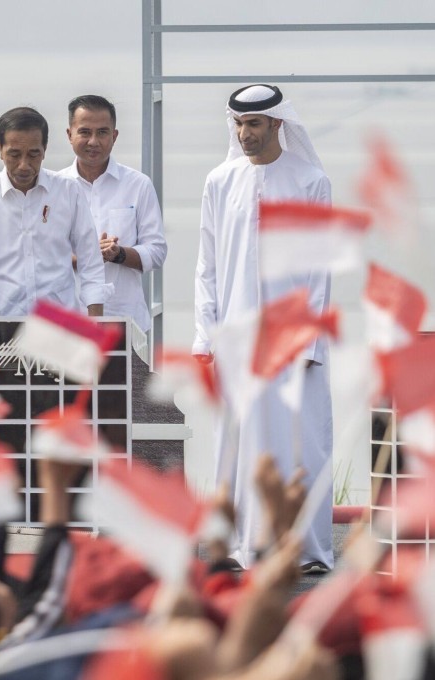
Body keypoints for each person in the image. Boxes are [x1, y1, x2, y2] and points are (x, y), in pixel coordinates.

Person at [192, 84, 333, 573]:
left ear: (277, 123)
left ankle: (304, 549)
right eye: (238, 124)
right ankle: (241, 546)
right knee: (237, 441)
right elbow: (207, 267)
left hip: (294, 342)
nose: (244, 133)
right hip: (235, 338)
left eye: (253, 124)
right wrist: (205, 335)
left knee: (300, 441)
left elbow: (319, 270)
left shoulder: (311, 181)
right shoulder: (219, 181)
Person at [0, 107, 110, 316]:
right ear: (0, 149)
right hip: (2, 323)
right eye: (14, 154)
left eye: (33, 154)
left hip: (59, 324)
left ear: (45, 149)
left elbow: (90, 262)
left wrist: (96, 322)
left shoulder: (68, 191)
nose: (24, 165)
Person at [59, 95, 167, 334]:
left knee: (129, 364)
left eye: (102, 132)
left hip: (125, 321)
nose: (93, 141)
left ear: (114, 136)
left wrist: (119, 254)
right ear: (69, 134)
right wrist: (85, 257)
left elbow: (157, 251)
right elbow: (39, 254)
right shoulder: (55, 187)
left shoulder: (138, 184)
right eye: (85, 132)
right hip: (67, 321)